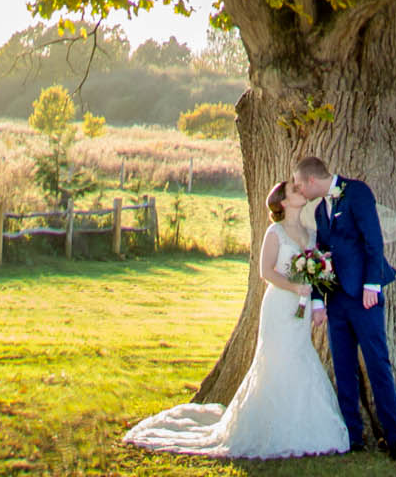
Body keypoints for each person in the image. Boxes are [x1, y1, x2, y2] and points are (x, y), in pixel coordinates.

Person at [124, 177, 350, 458]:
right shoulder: (274, 233)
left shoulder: (309, 232)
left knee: (300, 354)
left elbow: (314, 268)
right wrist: (294, 287)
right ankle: (268, 426)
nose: (300, 191)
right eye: (294, 190)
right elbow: (266, 272)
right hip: (280, 305)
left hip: (301, 309)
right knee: (277, 360)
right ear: (282, 202)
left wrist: (315, 296)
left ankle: (304, 424)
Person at [289, 155, 396, 461]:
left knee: (377, 364)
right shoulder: (319, 212)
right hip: (337, 301)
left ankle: (395, 439)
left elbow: (373, 240)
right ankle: (353, 436)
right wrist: (318, 301)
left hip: (364, 297)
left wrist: (373, 284)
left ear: (312, 181)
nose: (300, 190)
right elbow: (319, 258)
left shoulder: (357, 192)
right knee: (343, 370)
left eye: (300, 185)